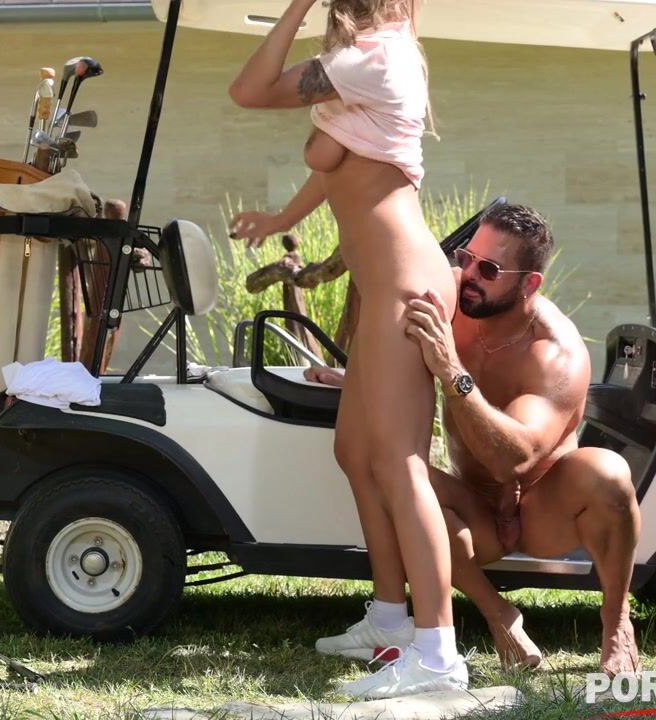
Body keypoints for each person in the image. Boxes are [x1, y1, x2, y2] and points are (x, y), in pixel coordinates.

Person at [228, 0, 467, 700]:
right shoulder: (360, 63)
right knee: (356, 452)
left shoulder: (372, 59)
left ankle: (438, 653)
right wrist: (282, 218)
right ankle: (390, 620)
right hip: (386, 283)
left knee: (398, 463)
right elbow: (337, 164)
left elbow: (248, 90)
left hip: (405, 287)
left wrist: (296, 7)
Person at [303, 204, 642, 677]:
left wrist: (452, 373)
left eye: (490, 269)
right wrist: (356, 379)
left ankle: (617, 624)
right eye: (467, 258)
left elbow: (513, 461)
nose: (469, 276)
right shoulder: (453, 302)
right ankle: (498, 614)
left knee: (608, 473)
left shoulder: (554, 354)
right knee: (387, 473)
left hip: (543, 508)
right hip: (476, 504)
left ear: (529, 284)